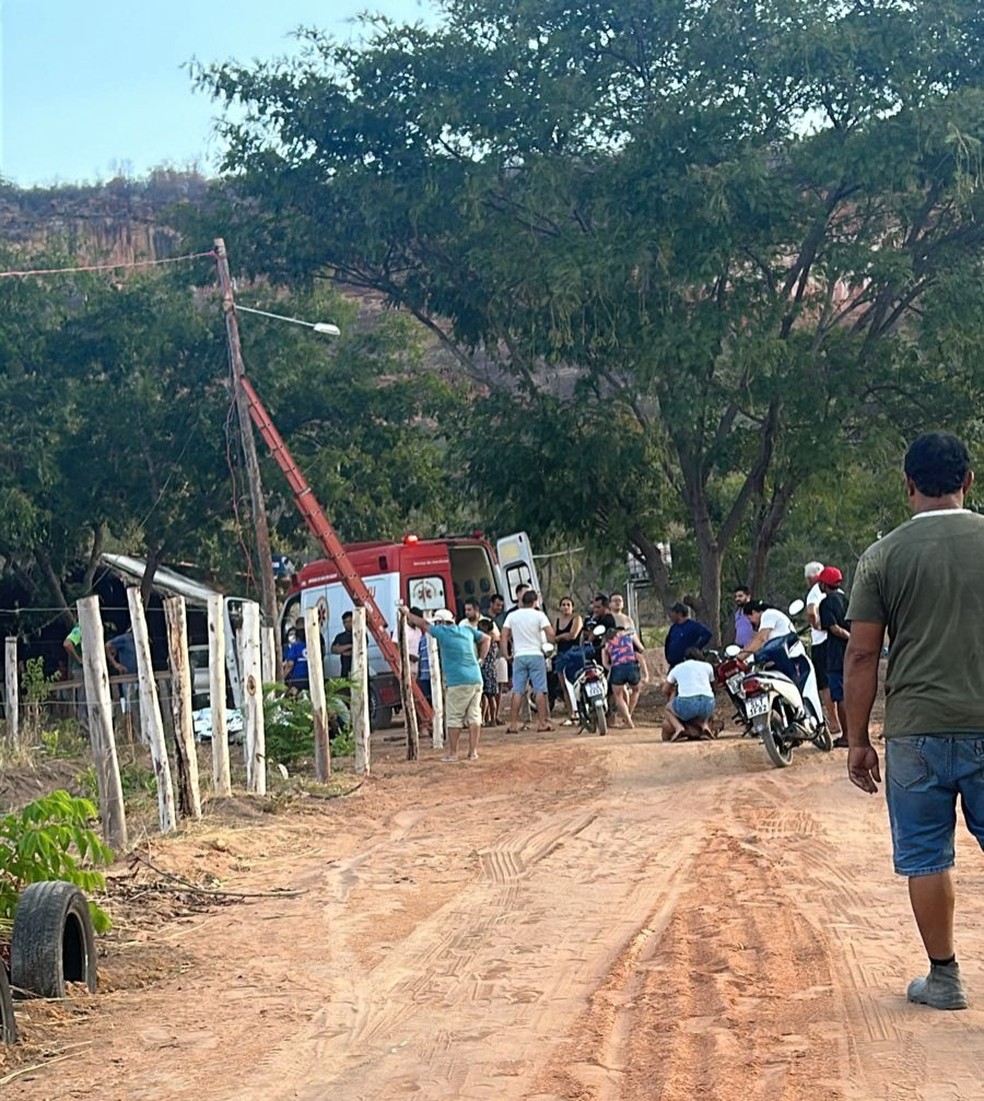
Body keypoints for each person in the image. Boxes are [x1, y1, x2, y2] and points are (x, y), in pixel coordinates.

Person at [846, 430, 984, 1011]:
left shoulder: (882, 557)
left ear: (907, 486)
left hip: (914, 732)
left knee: (927, 856)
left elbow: (860, 654)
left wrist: (856, 741)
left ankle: (945, 978)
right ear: (968, 482)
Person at [401, 607, 489, 761]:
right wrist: (480, 659)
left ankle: (453, 753)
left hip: (457, 680)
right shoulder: (466, 630)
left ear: (441, 622)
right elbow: (486, 639)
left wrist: (406, 613)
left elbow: (422, 623)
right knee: (474, 715)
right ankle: (473, 752)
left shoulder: (442, 633)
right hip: (475, 677)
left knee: (454, 717)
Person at [500, 590, 555, 734]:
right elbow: (550, 633)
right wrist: (550, 647)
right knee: (539, 690)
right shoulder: (539, 615)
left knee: (517, 690)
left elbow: (504, 635)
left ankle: (513, 724)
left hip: (519, 656)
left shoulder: (512, 616)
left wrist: (507, 654)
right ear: (535, 601)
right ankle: (542, 723)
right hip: (536, 655)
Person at [738, 599, 809, 694]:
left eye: (749, 618)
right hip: (781, 660)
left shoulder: (768, 615)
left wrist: (740, 657)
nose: (751, 622)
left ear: (754, 612)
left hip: (792, 658)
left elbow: (761, 639)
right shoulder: (765, 622)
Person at [805, 560, 841, 736]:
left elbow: (812, 612)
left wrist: (817, 625)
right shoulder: (839, 593)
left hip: (821, 642)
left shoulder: (815, 592)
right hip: (836, 643)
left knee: (825, 684)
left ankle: (834, 722)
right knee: (839, 681)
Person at [816, 566, 849, 748]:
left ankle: (846, 737)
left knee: (841, 696)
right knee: (851, 693)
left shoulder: (826, 603)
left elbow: (834, 628)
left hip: (836, 654)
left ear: (824, 584)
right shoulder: (845, 599)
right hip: (851, 654)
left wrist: (849, 638)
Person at [661, 647, 716, 742]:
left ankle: (678, 728)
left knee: (667, 709)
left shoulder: (677, 668)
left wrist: (674, 689)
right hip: (708, 703)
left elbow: (664, 690)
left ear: (685, 659)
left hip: (687, 704)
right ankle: (704, 724)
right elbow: (712, 685)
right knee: (707, 700)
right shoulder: (708, 666)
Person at [603, 625, 648, 729]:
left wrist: (612, 668)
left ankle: (628, 719)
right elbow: (640, 651)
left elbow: (605, 663)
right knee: (636, 691)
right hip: (631, 666)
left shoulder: (607, 645)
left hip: (617, 668)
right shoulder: (628, 638)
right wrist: (646, 675)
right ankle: (629, 715)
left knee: (618, 696)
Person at [551, 597, 583, 721]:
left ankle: (581, 709)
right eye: (563, 604)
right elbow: (553, 637)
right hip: (561, 654)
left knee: (577, 683)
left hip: (575, 654)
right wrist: (560, 637)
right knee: (564, 685)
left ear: (572, 607)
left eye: (568, 604)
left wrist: (559, 637)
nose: (565, 607)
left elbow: (573, 634)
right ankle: (571, 713)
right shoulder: (557, 620)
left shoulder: (577, 619)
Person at [663, 603, 712, 670]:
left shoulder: (693, 626)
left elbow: (707, 634)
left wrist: (696, 648)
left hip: (686, 664)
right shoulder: (673, 627)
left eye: (673, 613)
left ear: (679, 614)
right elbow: (668, 641)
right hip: (673, 665)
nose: (671, 615)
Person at [106, 627, 138, 712]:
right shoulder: (125, 638)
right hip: (127, 676)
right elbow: (108, 645)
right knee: (129, 704)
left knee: (138, 704)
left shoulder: (140, 639)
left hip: (138, 676)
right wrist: (116, 664)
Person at [477, 618, 501, 725]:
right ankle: (493, 719)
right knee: (491, 696)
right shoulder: (495, 642)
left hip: (484, 669)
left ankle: (486, 719)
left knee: (485, 696)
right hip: (491, 669)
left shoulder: (484, 642)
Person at [282, 619, 310, 692]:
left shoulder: (295, 646)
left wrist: (282, 677)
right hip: (311, 678)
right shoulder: (312, 645)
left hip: (297, 679)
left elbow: (290, 664)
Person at [331, 612, 354, 678]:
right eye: (345, 622)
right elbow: (333, 649)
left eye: (350, 621)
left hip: (359, 670)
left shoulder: (360, 634)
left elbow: (359, 650)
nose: (348, 624)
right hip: (345, 671)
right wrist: (350, 646)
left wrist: (342, 649)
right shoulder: (340, 637)